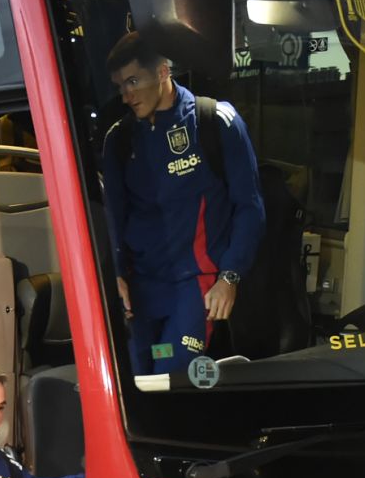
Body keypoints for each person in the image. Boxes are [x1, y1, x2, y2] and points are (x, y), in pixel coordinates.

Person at [99, 31, 264, 376]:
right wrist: (114, 275)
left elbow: (250, 206)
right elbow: (112, 216)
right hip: (141, 288)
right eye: (120, 86)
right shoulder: (119, 139)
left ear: (162, 72)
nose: (126, 95)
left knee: (168, 376)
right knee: (136, 377)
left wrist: (230, 278)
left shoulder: (215, 122)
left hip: (195, 286)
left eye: (133, 81)